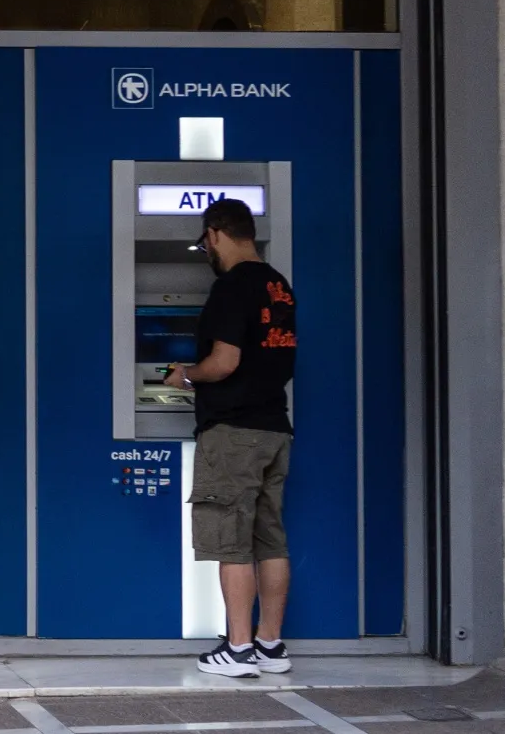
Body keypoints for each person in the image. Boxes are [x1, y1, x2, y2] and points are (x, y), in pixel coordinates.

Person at [160, 198, 297, 678]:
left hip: (233, 430)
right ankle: (270, 645)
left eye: (204, 244)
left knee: (231, 542)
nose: (206, 253)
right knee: (270, 541)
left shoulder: (231, 287)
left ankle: (237, 650)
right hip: (273, 429)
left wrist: (185, 377)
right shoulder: (279, 286)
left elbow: (224, 363)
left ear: (216, 233)